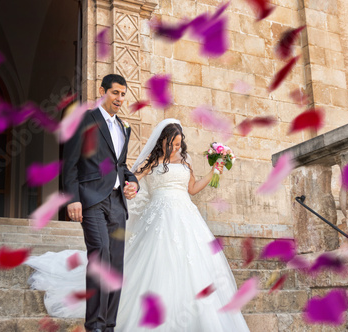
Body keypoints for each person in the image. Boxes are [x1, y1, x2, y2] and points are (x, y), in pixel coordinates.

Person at [25, 119, 250, 332]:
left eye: (179, 144)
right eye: (171, 144)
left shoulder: (185, 162)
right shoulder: (150, 162)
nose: (175, 148)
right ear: (162, 141)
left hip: (188, 216)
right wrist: (130, 188)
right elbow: (130, 181)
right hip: (160, 216)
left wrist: (214, 170)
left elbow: (192, 189)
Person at [61, 73, 139, 332]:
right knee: (100, 256)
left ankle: (109, 326)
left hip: (117, 203)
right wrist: (73, 199)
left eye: (123, 94)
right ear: (102, 91)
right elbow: (70, 162)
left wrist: (133, 182)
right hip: (92, 200)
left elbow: (122, 166)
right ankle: (94, 326)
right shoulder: (85, 119)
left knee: (116, 265)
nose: (119, 98)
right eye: (115, 93)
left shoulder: (124, 128)